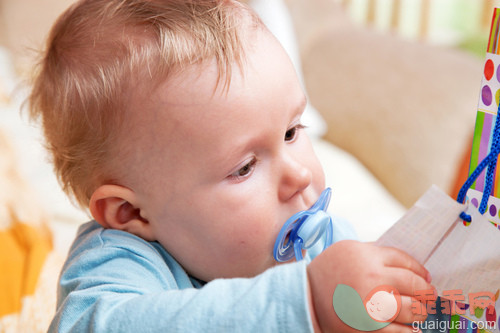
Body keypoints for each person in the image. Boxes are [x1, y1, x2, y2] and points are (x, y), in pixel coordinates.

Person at [29, 0, 432, 331]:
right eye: (243, 168)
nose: (299, 175)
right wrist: (307, 301)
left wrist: (438, 317)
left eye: (292, 131)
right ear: (131, 212)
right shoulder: (120, 265)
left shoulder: (325, 248)